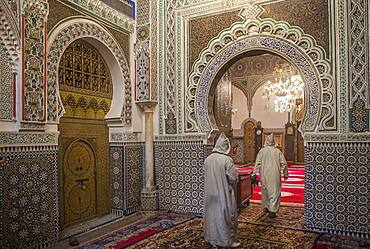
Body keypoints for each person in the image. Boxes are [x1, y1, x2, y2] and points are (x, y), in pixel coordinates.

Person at [203, 133, 240, 248]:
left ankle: (212, 240)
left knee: (212, 216)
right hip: (224, 193)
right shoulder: (227, 160)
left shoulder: (208, 159)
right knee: (226, 216)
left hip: (210, 193)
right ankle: (225, 241)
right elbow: (233, 178)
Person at [252, 134, 288, 218]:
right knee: (274, 192)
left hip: (264, 174)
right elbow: (284, 163)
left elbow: (257, 163)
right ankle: (272, 210)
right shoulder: (277, 151)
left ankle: (267, 207)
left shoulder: (262, 151)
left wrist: (254, 173)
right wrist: (285, 173)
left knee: (265, 191)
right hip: (274, 174)